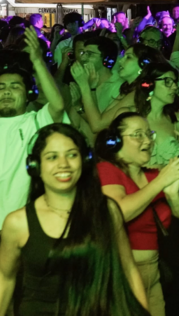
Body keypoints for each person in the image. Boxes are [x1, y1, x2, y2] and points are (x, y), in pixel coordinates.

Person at [0, 123, 150, 316]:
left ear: (85, 160)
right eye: (52, 157)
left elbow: (128, 269)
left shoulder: (107, 211)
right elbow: (5, 278)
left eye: (71, 155)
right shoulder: (18, 223)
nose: (63, 164)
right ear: (36, 166)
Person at [95, 112, 179, 316]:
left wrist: (173, 195)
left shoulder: (153, 175)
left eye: (149, 134)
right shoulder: (106, 169)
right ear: (116, 141)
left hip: (153, 272)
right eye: (138, 134)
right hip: (120, 272)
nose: (148, 141)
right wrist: (161, 182)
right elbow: (119, 212)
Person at [0, 27, 67, 233]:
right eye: (1, 87)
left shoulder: (35, 123)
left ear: (29, 94)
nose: (7, 92)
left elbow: (57, 105)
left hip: (24, 226)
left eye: (15, 87)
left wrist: (37, 61)